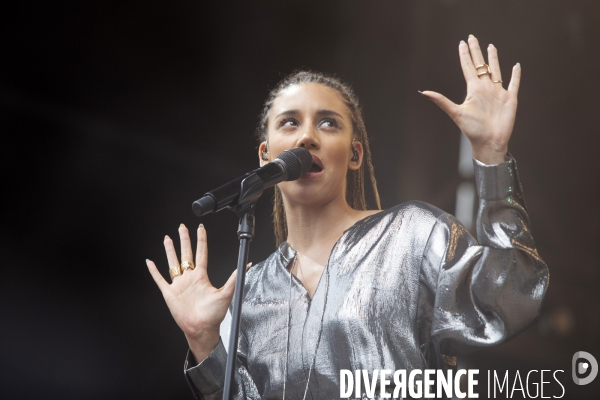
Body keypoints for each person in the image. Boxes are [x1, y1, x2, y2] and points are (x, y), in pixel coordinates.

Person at [147, 35, 549, 399]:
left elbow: (511, 297)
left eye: (327, 122)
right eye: (290, 122)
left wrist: (492, 155)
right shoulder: (247, 293)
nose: (307, 137)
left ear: (354, 154)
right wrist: (204, 341)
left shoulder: (413, 235)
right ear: (265, 156)